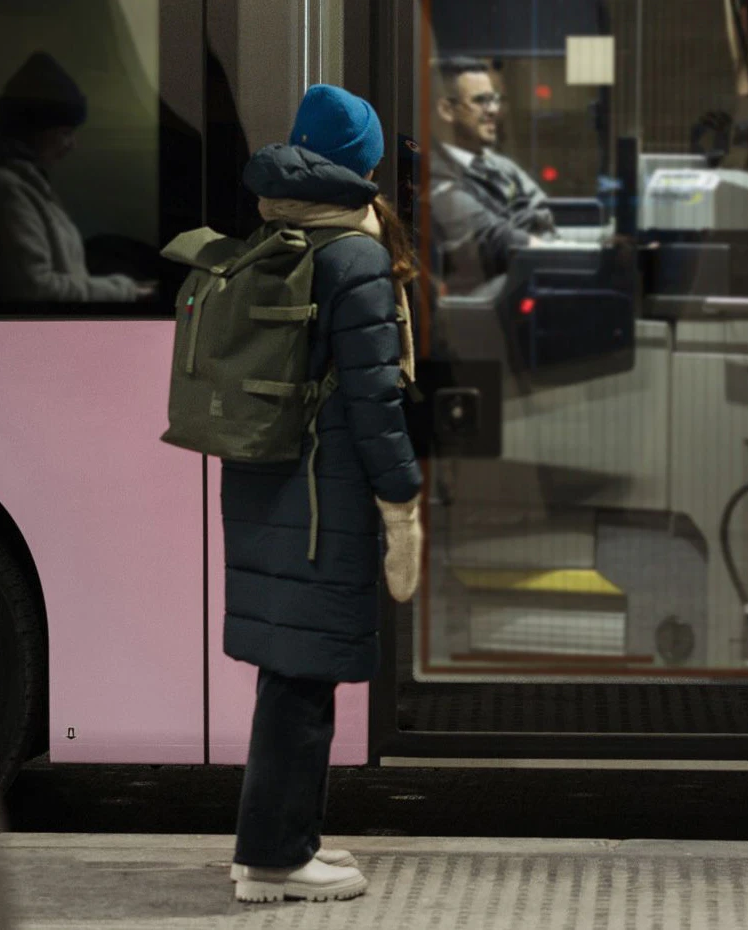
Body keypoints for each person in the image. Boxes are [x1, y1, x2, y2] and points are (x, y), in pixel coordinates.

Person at [223, 84, 424, 904]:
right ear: (364, 165)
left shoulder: (279, 231)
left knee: (291, 672)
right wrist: (402, 504)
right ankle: (274, 860)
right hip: (325, 493)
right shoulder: (353, 255)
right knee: (301, 683)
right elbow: (375, 401)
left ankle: (278, 844)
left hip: (272, 482)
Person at [0, 52, 155, 303]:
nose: (72, 145)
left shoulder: (28, 184)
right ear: (34, 130)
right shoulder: (3, 190)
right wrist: (126, 291)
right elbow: (34, 288)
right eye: (65, 133)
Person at [428, 57, 556, 292]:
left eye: (494, 100)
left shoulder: (502, 166)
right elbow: (493, 239)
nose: (494, 111)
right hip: (475, 305)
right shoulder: (431, 173)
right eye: (481, 101)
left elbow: (543, 215)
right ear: (447, 110)